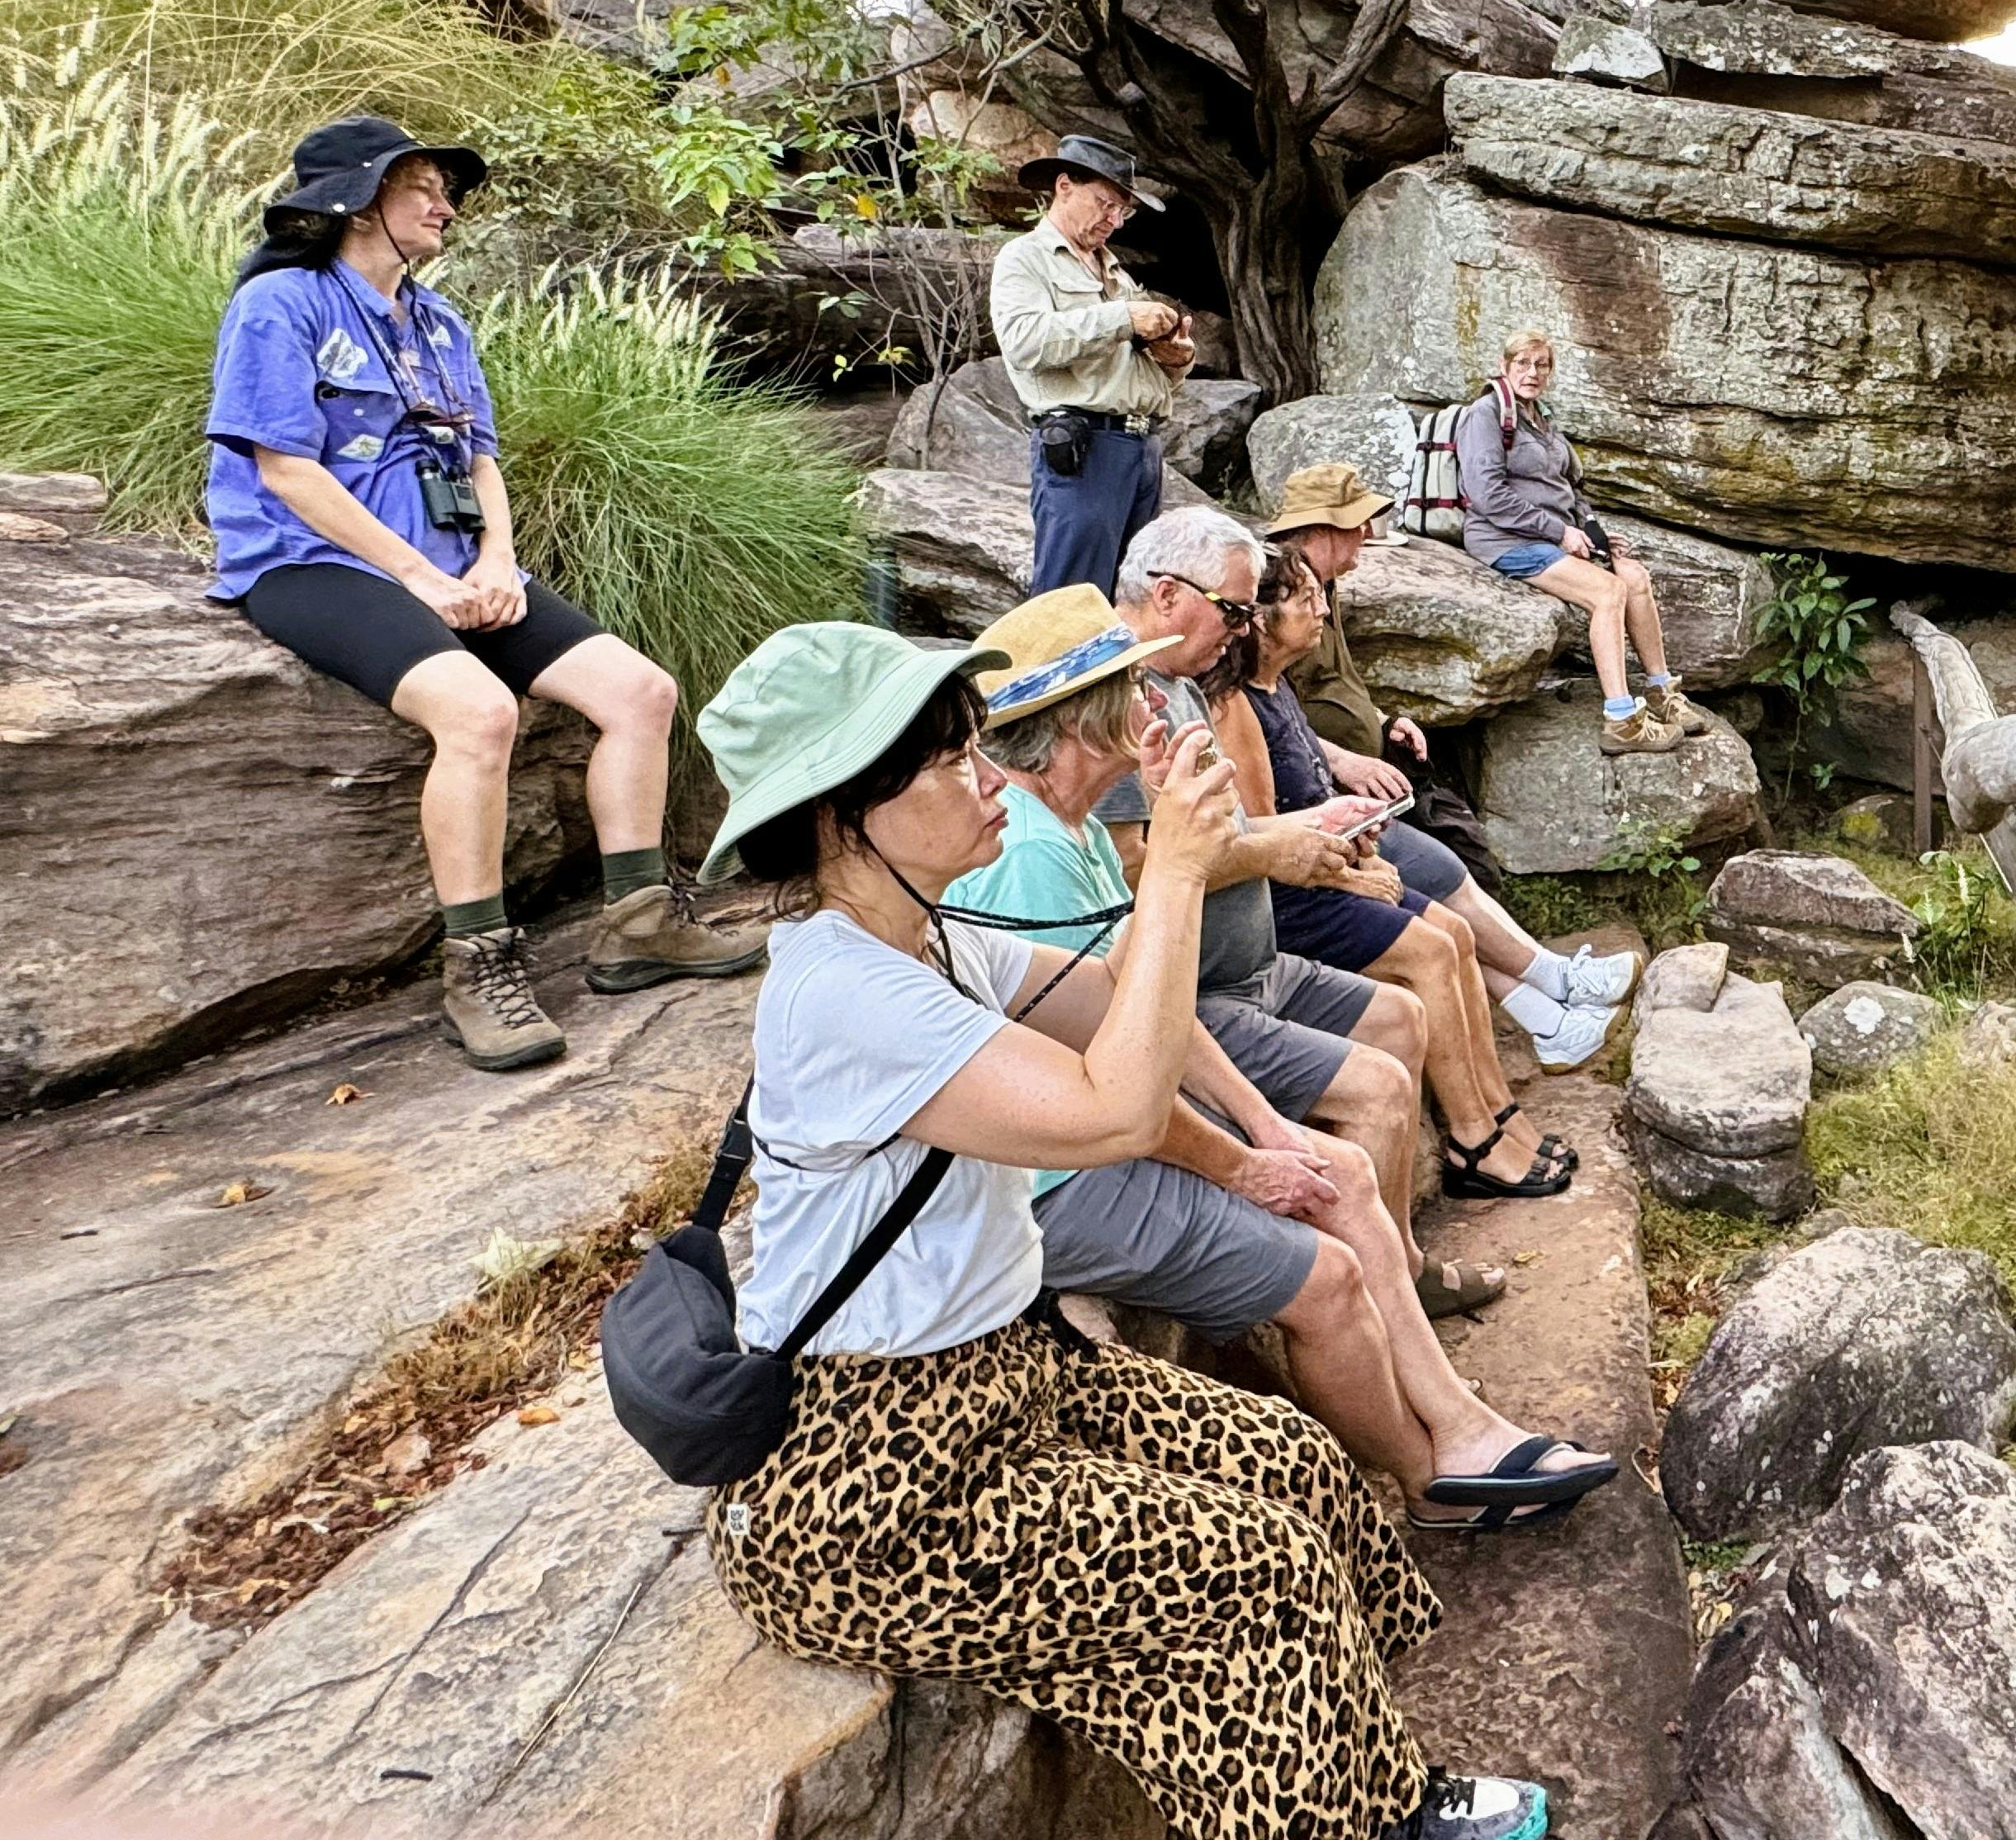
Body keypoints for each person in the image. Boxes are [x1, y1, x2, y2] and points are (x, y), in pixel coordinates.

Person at [689, 620, 1553, 1840]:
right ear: (843, 814)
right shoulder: (847, 992)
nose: (992, 777)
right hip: (873, 1484)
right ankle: (1352, 1821)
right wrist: (1182, 873)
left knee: (1294, 1465)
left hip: (998, 1385)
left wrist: (1187, 857)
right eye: (950, 763)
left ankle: (1366, 1781)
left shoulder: (926, 938)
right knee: (1258, 1566)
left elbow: (1112, 999)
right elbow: (1116, 1105)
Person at [941, 586, 1614, 1524]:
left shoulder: (1078, 829)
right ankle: (1431, 1482)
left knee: (1335, 1165)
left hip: (1110, 1128)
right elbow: (1108, 1079)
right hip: (1056, 1176)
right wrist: (1246, 1162)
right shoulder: (1029, 859)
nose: (1150, 705)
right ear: (1076, 726)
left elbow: (1145, 1011)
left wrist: (1263, 1124)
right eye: (1128, 690)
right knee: (1326, 1269)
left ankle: (1461, 1425)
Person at [202, 115, 765, 1072]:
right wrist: (418, 576)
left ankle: (637, 923)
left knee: (643, 692)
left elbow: (481, 458)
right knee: (479, 712)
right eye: (421, 186)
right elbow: (287, 471)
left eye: (443, 188)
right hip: (314, 565)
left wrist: (497, 562)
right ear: (357, 202)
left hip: (460, 571)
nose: (444, 205)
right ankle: (479, 967)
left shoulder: (438, 321)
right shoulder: (282, 305)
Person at [1108, 507, 1577, 1200]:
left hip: (1259, 956)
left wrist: (1318, 825)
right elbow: (1138, 866)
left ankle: (1489, 1132)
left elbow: (1228, 829)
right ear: (1168, 592)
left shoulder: (1178, 684)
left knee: (1422, 980)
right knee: (1423, 966)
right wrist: (1282, 852)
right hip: (1207, 987)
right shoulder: (1121, 699)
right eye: (1233, 612)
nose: (1242, 631)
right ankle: (1473, 1146)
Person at [1265, 462, 1637, 1071]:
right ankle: (1559, 989)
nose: (1367, 535)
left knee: (1450, 877)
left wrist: (1383, 723)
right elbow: (1277, 711)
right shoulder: (1285, 604)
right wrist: (1343, 759)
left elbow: (1336, 689)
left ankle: (1555, 1011)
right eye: (1357, 524)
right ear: (1323, 530)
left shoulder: (1321, 591)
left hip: (1362, 780)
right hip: (1327, 799)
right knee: (1438, 877)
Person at [1454, 331, 1707, 756]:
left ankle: (1663, 692)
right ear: (1505, 366)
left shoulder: (1542, 419)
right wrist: (1559, 533)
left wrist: (1593, 533)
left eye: (1541, 365)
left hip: (1554, 537)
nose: (1531, 373)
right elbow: (1486, 494)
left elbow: (1570, 488)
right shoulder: (1486, 414)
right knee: (1608, 591)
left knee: (1635, 576)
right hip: (1504, 540)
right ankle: (1623, 720)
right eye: (1523, 363)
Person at [993, 134, 1198, 597]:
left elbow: (1134, 368)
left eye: (1123, 211)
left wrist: (1176, 358)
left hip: (1141, 449)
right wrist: (1123, 316)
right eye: (1106, 204)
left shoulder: (1116, 272)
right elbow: (1024, 342)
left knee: (1131, 601)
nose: (1115, 220)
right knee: (1072, 604)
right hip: (1084, 450)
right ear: (1064, 186)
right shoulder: (1024, 259)